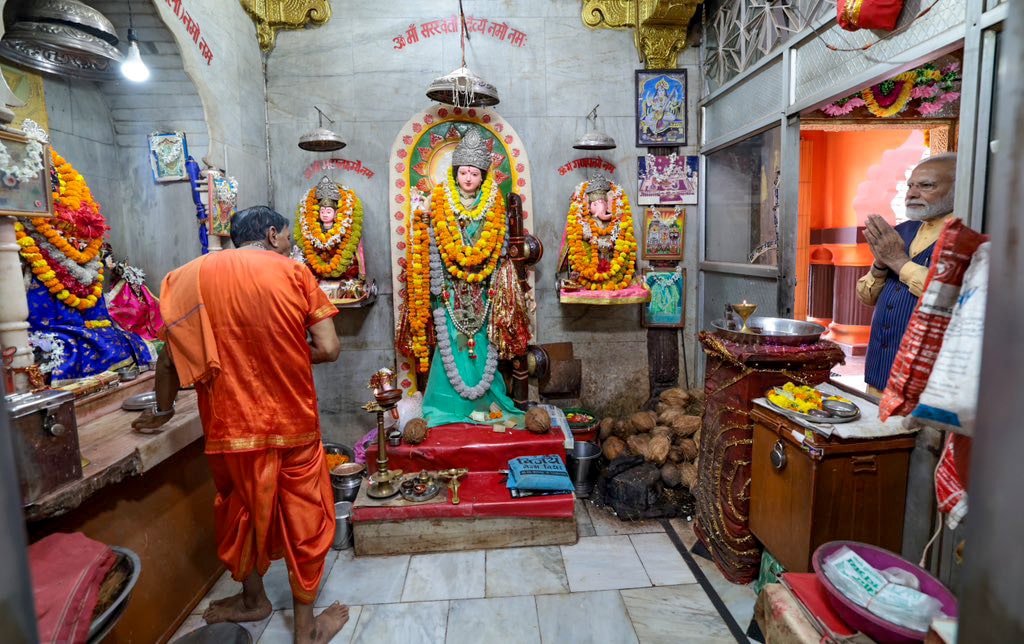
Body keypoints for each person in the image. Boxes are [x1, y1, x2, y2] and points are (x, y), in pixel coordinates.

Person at [131, 206, 347, 644]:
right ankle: (306, 631)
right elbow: (328, 347)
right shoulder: (293, 273)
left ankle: (253, 600)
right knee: (304, 517)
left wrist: (166, 408)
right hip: (292, 422)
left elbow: (169, 355)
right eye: (287, 237)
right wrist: (285, 351)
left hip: (228, 425)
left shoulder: (184, 277)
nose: (289, 245)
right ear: (271, 234)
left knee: (240, 508)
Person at [856, 153, 957, 397]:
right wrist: (880, 264)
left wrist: (898, 261)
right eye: (910, 185)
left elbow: (949, 297)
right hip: (880, 370)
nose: (911, 193)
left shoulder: (965, 238)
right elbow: (866, 297)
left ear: (958, 189)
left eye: (926, 186)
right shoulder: (901, 232)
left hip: (926, 383)